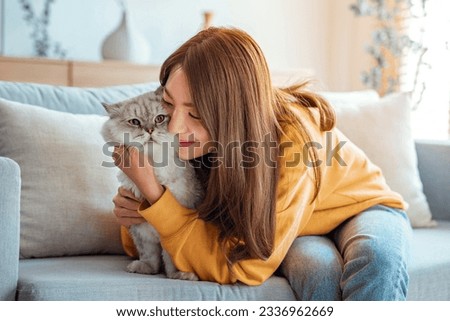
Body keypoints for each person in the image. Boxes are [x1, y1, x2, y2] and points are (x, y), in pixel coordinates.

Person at [111, 27, 412, 300]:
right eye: (169, 103)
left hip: (363, 208)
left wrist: (156, 198)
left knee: (377, 258)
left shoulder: (294, 140)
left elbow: (247, 267)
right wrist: (142, 207)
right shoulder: (186, 140)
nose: (175, 127)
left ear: (232, 113)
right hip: (299, 226)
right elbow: (168, 242)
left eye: (195, 112)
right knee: (318, 270)